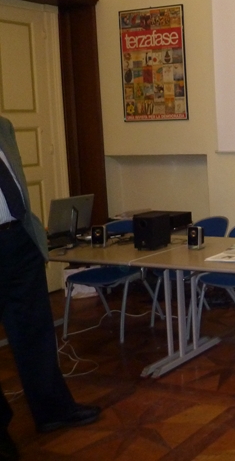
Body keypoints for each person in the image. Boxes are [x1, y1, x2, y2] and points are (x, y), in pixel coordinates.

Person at [0, 116, 100, 460]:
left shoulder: (3, 126)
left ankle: (53, 411)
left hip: (18, 242)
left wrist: (34, 234)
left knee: (35, 333)